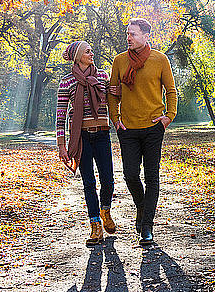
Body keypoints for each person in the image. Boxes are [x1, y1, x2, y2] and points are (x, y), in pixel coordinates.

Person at [108, 18, 177, 246]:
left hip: (153, 128)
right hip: (127, 129)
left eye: (134, 34)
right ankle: (143, 207)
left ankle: (146, 226)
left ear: (146, 35)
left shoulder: (160, 59)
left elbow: (171, 91)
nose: (129, 38)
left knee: (151, 177)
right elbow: (113, 93)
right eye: (128, 34)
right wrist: (115, 119)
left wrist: (169, 117)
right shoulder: (119, 61)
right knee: (130, 174)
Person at [56, 40, 116, 246]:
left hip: (102, 134)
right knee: (88, 182)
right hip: (81, 137)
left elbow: (113, 98)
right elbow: (61, 115)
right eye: (88, 51)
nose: (92, 53)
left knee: (108, 180)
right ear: (78, 56)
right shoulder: (66, 82)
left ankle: (105, 210)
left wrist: (117, 91)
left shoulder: (103, 76)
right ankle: (95, 225)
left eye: (91, 50)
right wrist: (61, 145)